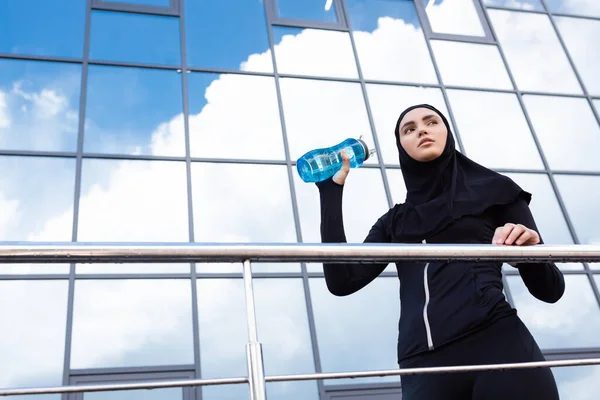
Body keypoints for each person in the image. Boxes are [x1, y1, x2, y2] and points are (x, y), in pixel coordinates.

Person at [315, 104, 564, 399]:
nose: (421, 129)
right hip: (422, 368)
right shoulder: (395, 222)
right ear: (401, 147)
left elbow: (550, 290)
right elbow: (342, 281)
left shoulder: (496, 191)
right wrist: (331, 191)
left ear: (446, 132)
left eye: (431, 122)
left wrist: (530, 254)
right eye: (409, 129)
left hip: (499, 348)